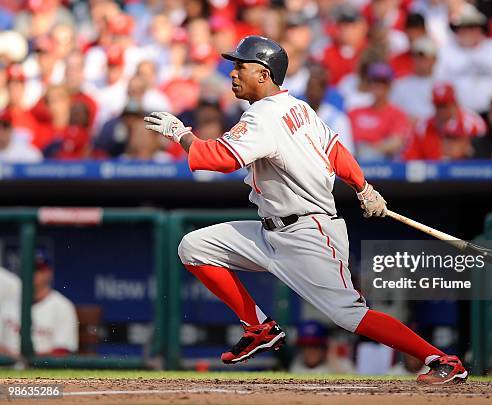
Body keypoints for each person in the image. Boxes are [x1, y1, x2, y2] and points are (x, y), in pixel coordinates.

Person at [144, 35, 467, 384]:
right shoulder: (298, 108)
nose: (233, 73)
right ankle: (259, 327)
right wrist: (362, 187)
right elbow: (337, 151)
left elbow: (217, 159)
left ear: (264, 74)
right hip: (271, 232)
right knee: (194, 247)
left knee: (350, 315)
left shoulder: (264, 116)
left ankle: (443, 360)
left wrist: (180, 134)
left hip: (308, 233)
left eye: (241, 66)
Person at [435, 5, 492, 114]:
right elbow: (437, 84)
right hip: (459, 116)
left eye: (471, 27)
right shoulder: (446, 52)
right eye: (462, 27)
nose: (466, 31)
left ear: (481, 29)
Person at [0, 251, 78, 357]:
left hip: (41, 369)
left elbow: (63, 351)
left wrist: (28, 359)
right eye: (29, 269)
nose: (33, 274)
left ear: (49, 273)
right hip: (7, 366)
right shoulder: (7, 300)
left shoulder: (62, 306)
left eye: (38, 270)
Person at [404, 82, 486, 160]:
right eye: (438, 106)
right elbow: (411, 159)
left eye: (444, 105)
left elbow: (483, 156)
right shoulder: (422, 128)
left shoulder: (473, 124)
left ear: (454, 103)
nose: (441, 110)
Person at [348, 62, 409, 161]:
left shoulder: (397, 113)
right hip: (355, 159)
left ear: (389, 86)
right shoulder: (355, 112)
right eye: (375, 81)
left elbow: (396, 142)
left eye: (383, 82)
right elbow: (343, 137)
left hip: (382, 163)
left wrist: (371, 149)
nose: (379, 86)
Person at [390, 36, 438, 120]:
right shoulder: (400, 85)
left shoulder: (443, 84)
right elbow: (393, 113)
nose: (420, 61)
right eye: (417, 57)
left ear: (434, 60)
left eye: (424, 58)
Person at [289, 320, 354, 374]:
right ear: (301, 348)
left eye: (316, 346)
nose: (312, 351)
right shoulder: (297, 364)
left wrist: (333, 359)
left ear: (324, 348)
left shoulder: (340, 363)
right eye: (307, 346)